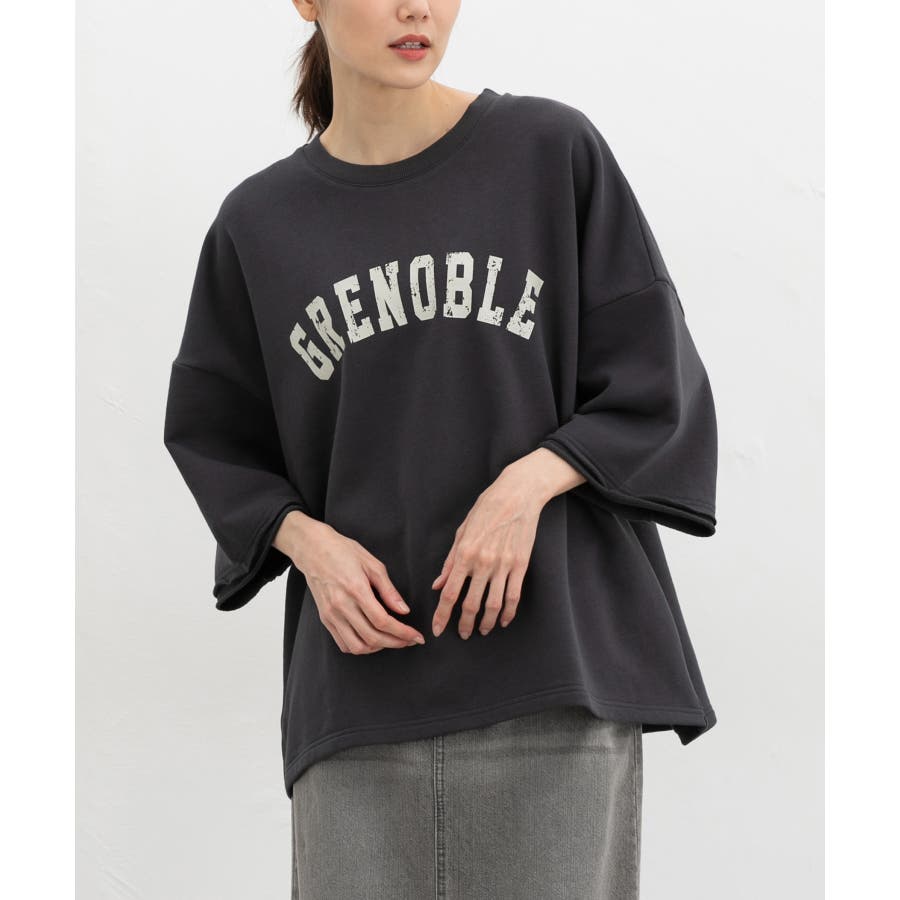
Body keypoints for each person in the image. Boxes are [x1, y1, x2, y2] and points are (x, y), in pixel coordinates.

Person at [162, 1, 719, 897]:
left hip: (552, 677)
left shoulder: (549, 152)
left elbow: (656, 375)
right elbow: (212, 431)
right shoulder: (259, 224)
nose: (416, 6)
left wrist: (527, 485)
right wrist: (307, 543)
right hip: (357, 700)